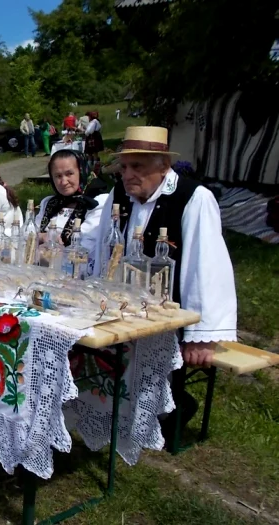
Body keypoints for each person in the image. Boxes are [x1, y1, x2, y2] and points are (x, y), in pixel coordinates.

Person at [93, 126, 237, 435]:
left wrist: (203, 335)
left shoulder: (193, 198)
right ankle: (109, 410)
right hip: (124, 308)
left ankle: (169, 407)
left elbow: (208, 268)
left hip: (168, 316)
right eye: (125, 167)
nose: (128, 174)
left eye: (138, 167)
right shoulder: (119, 194)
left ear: (163, 166)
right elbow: (103, 249)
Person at [35, 150, 108, 260]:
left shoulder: (97, 203)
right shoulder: (49, 203)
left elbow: (85, 247)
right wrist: (43, 236)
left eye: (69, 174)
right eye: (58, 176)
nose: (64, 182)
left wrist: (44, 247)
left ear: (82, 171)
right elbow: (27, 235)